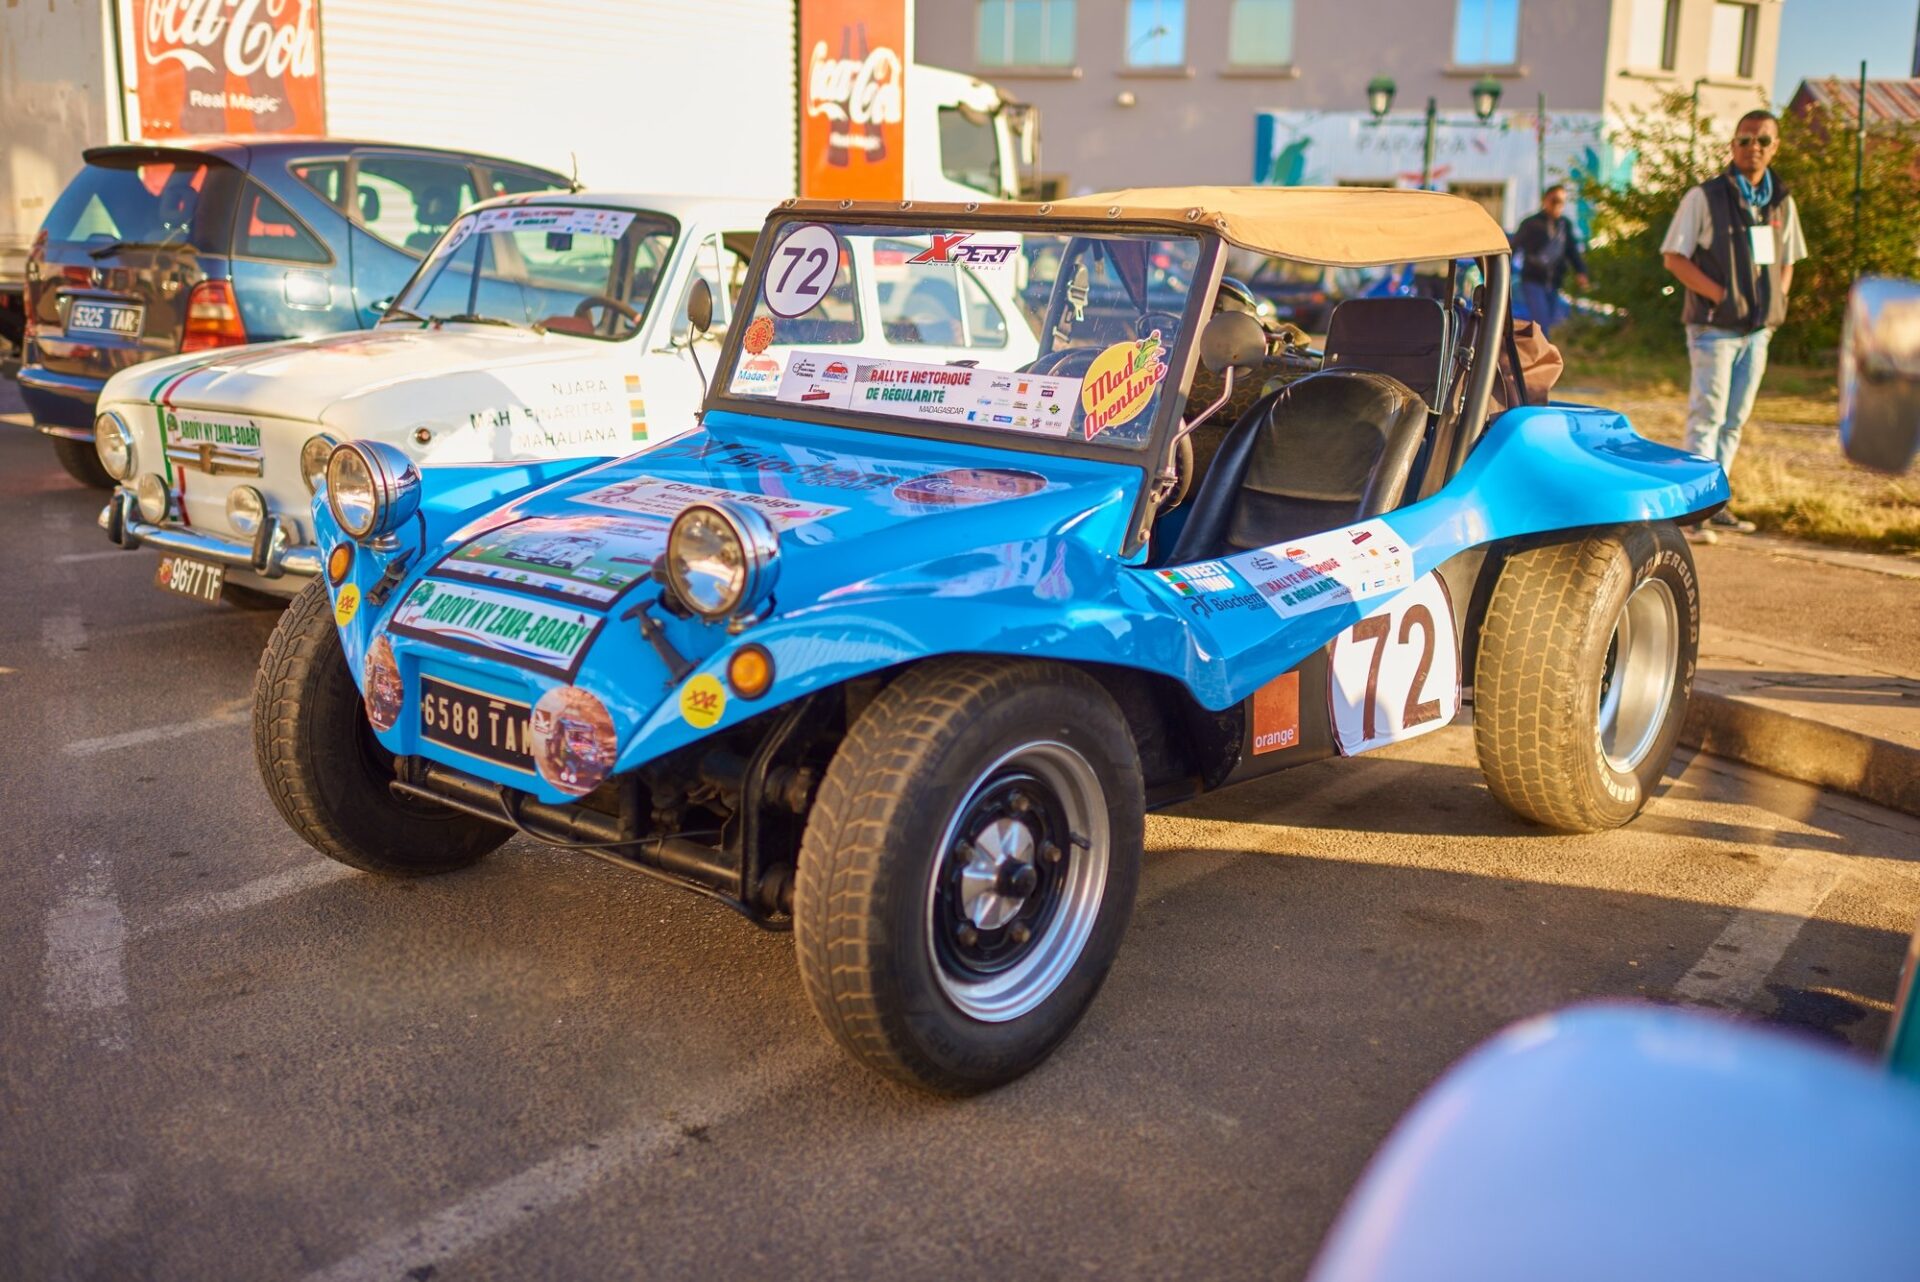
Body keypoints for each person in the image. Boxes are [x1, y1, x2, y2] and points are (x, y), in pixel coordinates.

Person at [1660, 108, 1807, 541]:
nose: (1753, 148)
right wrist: (1722, 297)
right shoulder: (1704, 198)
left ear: (1775, 147)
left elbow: (1788, 258)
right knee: (1707, 415)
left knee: (1735, 420)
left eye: (1762, 140)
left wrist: (1775, 303)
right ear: (1732, 146)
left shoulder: (1781, 201)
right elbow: (1674, 258)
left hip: (1757, 331)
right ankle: (1693, 511)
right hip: (1714, 329)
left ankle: (1716, 502)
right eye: (1744, 140)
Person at [1511, 184, 1589, 337]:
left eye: (1561, 201)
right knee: (1541, 323)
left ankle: (1538, 352)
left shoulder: (1564, 225)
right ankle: (1542, 357)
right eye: (1554, 200)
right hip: (1533, 280)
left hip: (1554, 281)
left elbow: (1571, 250)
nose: (1557, 205)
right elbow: (1514, 246)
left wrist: (1581, 272)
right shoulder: (1531, 224)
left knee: (1549, 320)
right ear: (1545, 200)